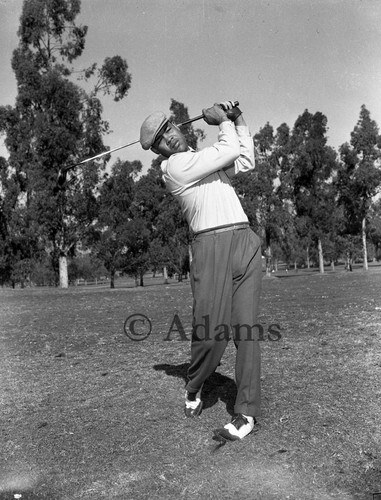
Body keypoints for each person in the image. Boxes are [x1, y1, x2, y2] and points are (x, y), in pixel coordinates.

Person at [140, 101, 262, 441]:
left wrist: (238, 118)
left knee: (247, 332)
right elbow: (227, 150)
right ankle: (194, 386)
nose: (170, 139)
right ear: (158, 151)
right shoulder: (176, 168)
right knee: (211, 334)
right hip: (210, 249)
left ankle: (247, 412)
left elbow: (246, 160)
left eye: (170, 129)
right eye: (161, 140)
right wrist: (223, 122)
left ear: (179, 127)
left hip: (244, 241)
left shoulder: (205, 158)